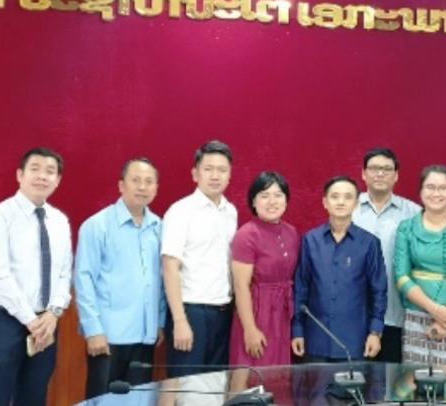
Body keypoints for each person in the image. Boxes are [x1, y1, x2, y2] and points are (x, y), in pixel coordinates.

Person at [0, 147, 72, 406]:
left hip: (46, 323)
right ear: (20, 175)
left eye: (50, 171)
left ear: (57, 180)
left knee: (34, 396)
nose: (42, 176)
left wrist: (53, 313)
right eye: (35, 169)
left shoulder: (59, 220)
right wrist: (31, 320)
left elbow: (64, 273)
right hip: (6, 321)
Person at [74, 158, 164, 398]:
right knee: (102, 400)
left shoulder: (159, 227)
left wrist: (159, 322)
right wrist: (93, 330)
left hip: (145, 336)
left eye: (149, 182)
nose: (142, 187)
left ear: (156, 188)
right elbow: (83, 279)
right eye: (136, 180)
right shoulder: (97, 225)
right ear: (121, 185)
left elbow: (162, 280)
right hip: (107, 337)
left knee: (138, 401)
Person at [161, 140, 237, 376]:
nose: (215, 175)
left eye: (222, 170)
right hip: (191, 312)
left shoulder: (230, 212)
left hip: (224, 312)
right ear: (195, 174)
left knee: (215, 386)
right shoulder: (180, 211)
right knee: (187, 386)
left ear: (229, 175)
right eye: (208, 169)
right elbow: (170, 267)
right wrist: (180, 320)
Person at [292, 176, 387, 362]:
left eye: (348, 197)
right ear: (325, 202)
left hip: (355, 341)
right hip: (315, 340)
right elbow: (301, 288)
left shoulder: (369, 243)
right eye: (335, 196)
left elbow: (379, 291)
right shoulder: (310, 240)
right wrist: (297, 330)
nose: (341, 202)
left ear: (356, 204)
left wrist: (375, 332)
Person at [394, 165, 446, 367]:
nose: (436, 193)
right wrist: (434, 310)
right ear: (420, 191)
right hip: (417, 315)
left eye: (442, 188)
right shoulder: (406, 227)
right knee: (416, 378)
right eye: (430, 187)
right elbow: (401, 276)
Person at [353, 147, 421, 363]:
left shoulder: (414, 213)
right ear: (363, 174)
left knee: (392, 378)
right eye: (374, 168)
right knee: (355, 378)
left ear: (396, 175)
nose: (380, 173)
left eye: (386, 169)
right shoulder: (349, 208)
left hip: (397, 313)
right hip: (354, 314)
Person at [229, 171, 300, 366]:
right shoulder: (247, 234)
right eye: (264, 195)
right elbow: (241, 286)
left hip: (283, 314)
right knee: (254, 371)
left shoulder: (292, 232)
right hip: (257, 313)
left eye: (278, 195)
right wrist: (250, 329)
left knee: (280, 372)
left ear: (286, 200)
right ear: (253, 201)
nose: (272, 202)